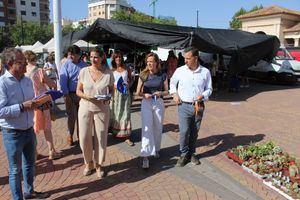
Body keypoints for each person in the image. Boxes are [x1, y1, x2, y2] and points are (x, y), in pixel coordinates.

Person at [0, 48, 50, 200]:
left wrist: (41, 104)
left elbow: (32, 103)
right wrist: (22, 106)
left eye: (25, 62)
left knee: (30, 164)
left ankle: (30, 192)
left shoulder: (27, 80)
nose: (25, 65)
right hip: (12, 133)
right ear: (10, 64)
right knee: (15, 170)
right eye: (20, 62)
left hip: (29, 129)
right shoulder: (2, 83)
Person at [169, 46, 212, 167]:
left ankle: (192, 153)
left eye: (188, 58)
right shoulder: (180, 70)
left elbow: (209, 89)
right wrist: (174, 94)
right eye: (184, 58)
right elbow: (172, 83)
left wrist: (202, 95)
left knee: (194, 131)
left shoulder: (205, 72)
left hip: (199, 106)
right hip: (183, 105)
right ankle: (183, 154)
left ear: (196, 58)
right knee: (184, 131)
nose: (185, 61)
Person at [76, 47, 114, 178]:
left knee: (101, 137)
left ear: (102, 58)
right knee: (84, 137)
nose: (93, 59)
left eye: (96, 57)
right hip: (85, 107)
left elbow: (111, 91)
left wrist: (109, 98)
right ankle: (88, 163)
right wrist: (87, 96)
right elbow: (78, 91)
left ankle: (99, 164)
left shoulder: (108, 73)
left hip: (102, 109)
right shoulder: (83, 71)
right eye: (91, 57)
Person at [24, 50, 62, 160]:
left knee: (32, 128)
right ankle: (51, 151)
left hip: (29, 103)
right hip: (42, 101)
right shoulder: (39, 71)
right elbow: (51, 84)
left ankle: (34, 152)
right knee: (47, 127)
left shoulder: (23, 73)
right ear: (34, 58)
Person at [136, 52, 168, 169]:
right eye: (148, 61)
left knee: (158, 127)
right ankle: (145, 156)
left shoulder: (162, 75)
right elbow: (137, 92)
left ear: (156, 63)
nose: (149, 63)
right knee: (147, 127)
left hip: (158, 103)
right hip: (146, 103)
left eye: (151, 61)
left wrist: (160, 93)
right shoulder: (143, 75)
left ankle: (157, 148)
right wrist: (145, 95)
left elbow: (167, 91)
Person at [60, 45, 88, 146]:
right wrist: (66, 95)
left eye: (72, 54)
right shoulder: (66, 65)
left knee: (82, 117)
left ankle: (81, 136)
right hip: (70, 94)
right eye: (69, 54)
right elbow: (63, 81)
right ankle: (70, 135)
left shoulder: (84, 65)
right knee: (71, 117)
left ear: (78, 55)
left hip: (82, 95)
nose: (70, 56)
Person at [109, 50, 134, 146]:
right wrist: (113, 86)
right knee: (115, 113)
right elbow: (109, 82)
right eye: (116, 57)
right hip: (115, 94)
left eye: (119, 57)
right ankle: (116, 131)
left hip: (125, 94)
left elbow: (131, 80)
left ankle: (127, 136)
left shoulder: (127, 68)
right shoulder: (111, 70)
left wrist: (128, 85)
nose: (118, 59)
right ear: (114, 59)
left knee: (126, 113)